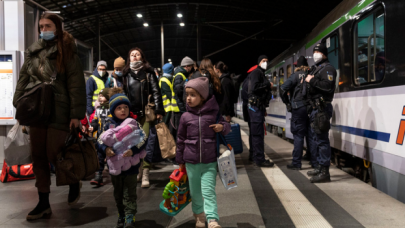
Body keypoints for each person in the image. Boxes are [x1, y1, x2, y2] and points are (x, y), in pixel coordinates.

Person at [12, 13, 86, 220]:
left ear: (58, 27)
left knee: (55, 153)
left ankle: (73, 180)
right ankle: (43, 202)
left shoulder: (68, 52)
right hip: (37, 111)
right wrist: (19, 106)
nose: (44, 30)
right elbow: (23, 80)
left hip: (60, 111)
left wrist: (76, 115)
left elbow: (76, 85)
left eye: (48, 26)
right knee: (38, 156)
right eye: (41, 26)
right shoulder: (33, 52)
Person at [176, 77, 231, 228]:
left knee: (208, 191)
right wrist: (180, 160)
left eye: (193, 94)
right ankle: (199, 216)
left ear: (203, 96)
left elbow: (227, 127)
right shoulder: (185, 117)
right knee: (195, 193)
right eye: (187, 94)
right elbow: (180, 139)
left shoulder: (214, 114)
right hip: (191, 162)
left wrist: (222, 127)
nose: (188, 98)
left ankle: (212, 218)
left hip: (210, 161)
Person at [99, 90, 147, 228]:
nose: (123, 110)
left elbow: (143, 139)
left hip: (131, 166)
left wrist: (133, 150)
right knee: (118, 193)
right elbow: (100, 141)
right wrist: (105, 150)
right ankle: (121, 214)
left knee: (130, 192)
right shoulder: (108, 124)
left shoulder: (134, 123)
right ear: (113, 110)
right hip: (115, 165)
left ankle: (130, 217)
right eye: (119, 108)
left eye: (125, 107)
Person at [122, 47, 164, 188]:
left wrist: (159, 110)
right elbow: (123, 94)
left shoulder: (149, 73)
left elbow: (156, 92)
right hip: (131, 115)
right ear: (129, 58)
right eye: (132, 54)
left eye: (137, 54)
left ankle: (145, 172)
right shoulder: (125, 74)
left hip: (146, 114)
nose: (134, 56)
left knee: (145, 142)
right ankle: (139, 170)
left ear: (141, 57)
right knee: (134, 143)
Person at [304, 43, 337, 183]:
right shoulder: (317, 69)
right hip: (316, 110)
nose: (315, 54)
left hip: (322, 109)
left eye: (318, 51)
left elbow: (328, 87)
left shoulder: (328, 69)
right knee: (317, 139)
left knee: (322, 140)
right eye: (314, 51)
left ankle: (325, 172)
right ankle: (319, 166)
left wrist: (312, 81)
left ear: (324, 53)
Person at [280, 56, 312, 170]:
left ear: (297, 66)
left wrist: (287, 103)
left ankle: (296, 163)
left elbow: (282, 89)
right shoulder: (311, 74)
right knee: (310, 134)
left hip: (298, 108)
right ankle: (313, 161)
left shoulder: (295, 76)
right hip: (310, 108)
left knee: (298, 135)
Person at [242, 55, 274, 167]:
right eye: (263, 61)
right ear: (259, 62)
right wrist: (268, 84)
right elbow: (255, 88)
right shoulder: (257, 73)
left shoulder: (260, 73)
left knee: (256, 133)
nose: (266, 63)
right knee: (257, 134)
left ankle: (255, 156)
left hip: (257, 108)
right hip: (255, 109)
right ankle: (260, 159)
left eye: (267, 61)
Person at [88, 88, 111, 186]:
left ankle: (115, 174)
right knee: (99, 156)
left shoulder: (111, 108)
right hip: (100, 138)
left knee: (111, 156)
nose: (100, 97)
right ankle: (98, 175)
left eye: (102, 95)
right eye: (99, 96)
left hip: (110, 138)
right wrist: (92, 127)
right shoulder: (98, 110)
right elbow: (95, 121)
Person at [159, 63, 176, 127]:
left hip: (169, 106)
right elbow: (169, 94)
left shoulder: (167, 79)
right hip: (167, 107)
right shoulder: (164, 80)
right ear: (171, 71)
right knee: (165, 126)